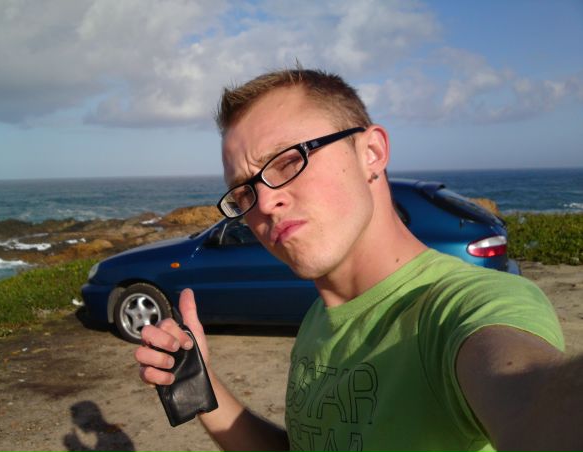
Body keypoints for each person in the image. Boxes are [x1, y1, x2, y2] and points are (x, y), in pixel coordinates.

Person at [135, 68, 582, 451]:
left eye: (288, 162)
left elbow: (534, 397)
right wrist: (203, 388)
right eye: (244, 191)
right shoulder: (318, 320)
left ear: (371, 153)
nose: (265, 203)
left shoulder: (465, 308)